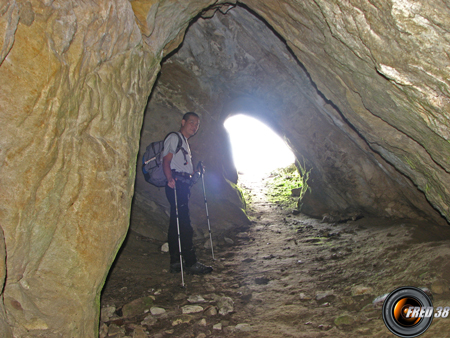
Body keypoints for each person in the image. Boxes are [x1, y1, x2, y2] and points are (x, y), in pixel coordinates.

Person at [162, 112, 213, 275]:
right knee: (184, 225)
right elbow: (166, 160)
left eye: (197, 124)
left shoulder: (184, 143)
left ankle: (176, 262)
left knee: (175, 224)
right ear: (183, 122)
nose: (194, 126)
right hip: (175, 184)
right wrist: (170, 179)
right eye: (191, 122)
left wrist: (196, 172)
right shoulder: (174, 138)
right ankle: (190, 262)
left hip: (182, 184)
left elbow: (186, 171)